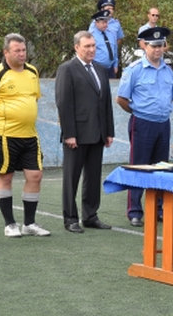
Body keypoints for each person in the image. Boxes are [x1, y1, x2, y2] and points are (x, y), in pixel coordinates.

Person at [0, 33, 51, 238]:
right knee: (6, 176)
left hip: (30, 135)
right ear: (6, 52)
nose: (21, 54)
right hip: (4, 135)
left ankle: (29, 223)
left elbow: (33, 100)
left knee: (35, 175)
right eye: (17, 50)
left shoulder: (32, 72)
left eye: (23, 50)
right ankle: (10, 224)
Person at [55, 31, 115, 233]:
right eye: (87, 46)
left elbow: (106, 103)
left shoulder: (100, 69)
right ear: (76, 47)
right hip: (77, 135)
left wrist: (108, 131)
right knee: (71, 178)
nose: (91, 50)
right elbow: (64, 103)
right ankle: (70, 218)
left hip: (97, 133)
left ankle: (90, 216)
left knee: (93, 177)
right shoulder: (67, 69)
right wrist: (69, 133)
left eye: (93, 46)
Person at [117, 27, 173, 227]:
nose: (158, 49)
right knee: (138, 167)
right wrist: (138, 112)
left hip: (163, 123)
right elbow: (122, 99)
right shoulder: (135, 69)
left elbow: (172, 97)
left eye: (161, 45)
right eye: (154, 46)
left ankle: (159, 209)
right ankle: (134, 211)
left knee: (160, 168)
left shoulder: (168, 71)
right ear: (144, 46)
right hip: (142, 123)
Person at [90, 9, 119, 78]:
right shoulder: (91, 36)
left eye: (106, 22)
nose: (105, 25)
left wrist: (115, 65)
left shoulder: (111, 34)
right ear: (96, 23)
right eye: (103, 23)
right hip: (97, 68)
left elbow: (115, 50)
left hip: (111, 69)